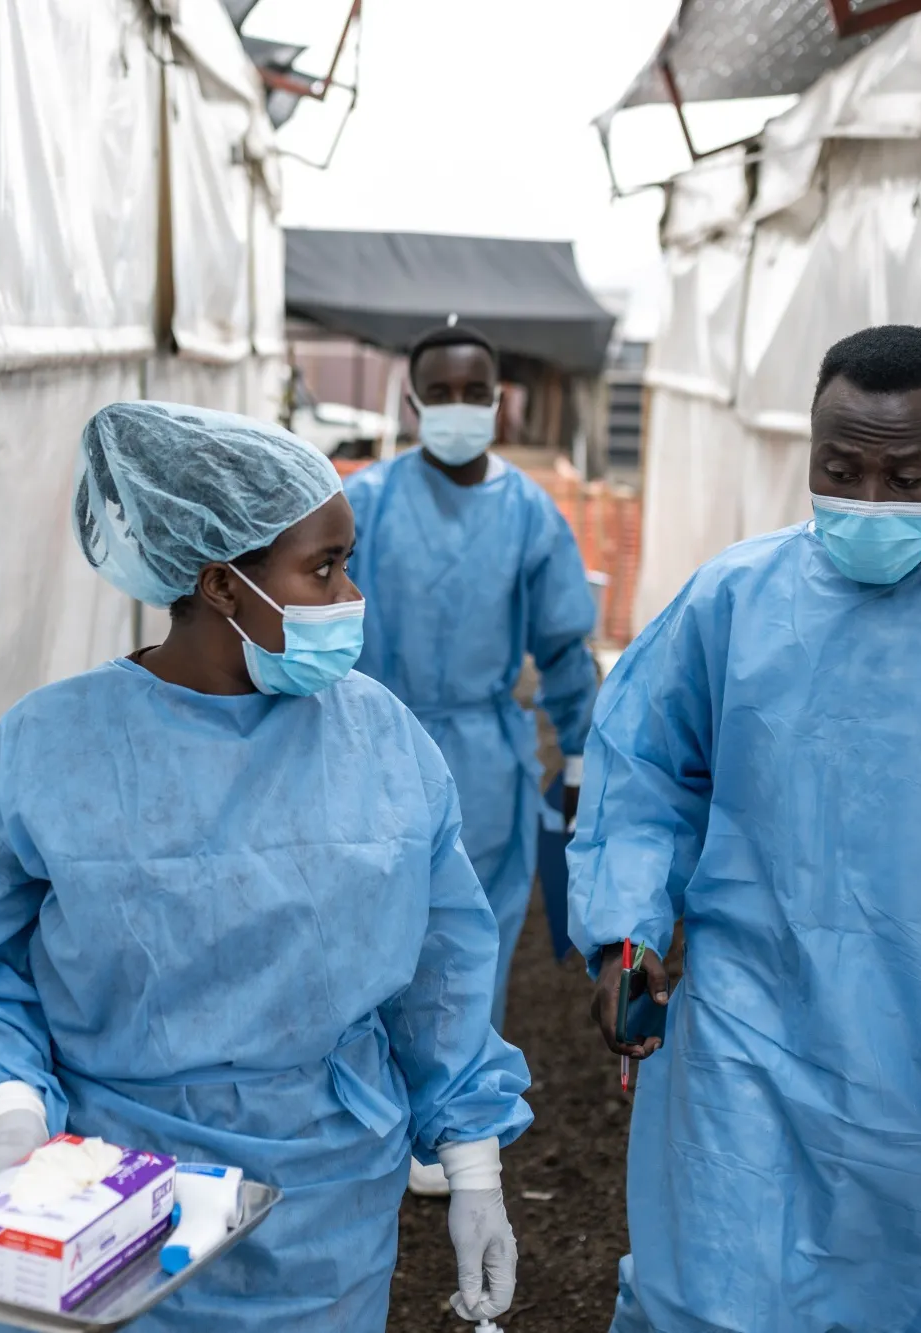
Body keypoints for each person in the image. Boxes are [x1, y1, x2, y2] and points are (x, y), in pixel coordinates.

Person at [0, 402, 530, 1332]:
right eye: (323, 568)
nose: (350, 593)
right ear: (223, 586)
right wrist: (10, 1114)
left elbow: (440, 974)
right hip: (104, 1199)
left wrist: (474, 1167)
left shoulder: (384, 741)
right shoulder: (47, 748)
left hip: (325, 1212)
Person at [569, 326, 921, 1332]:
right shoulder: (732, 602)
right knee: (707, 1295)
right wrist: (629, 932)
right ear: (805, 451)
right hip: (738, 1039)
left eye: (902, 474)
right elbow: (642, 775)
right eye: (839, 470)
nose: (867, 499)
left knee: (896, 1301)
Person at [343, 321, 601, 1194]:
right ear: (413, 401)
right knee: (366, 927)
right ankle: (366, 1103)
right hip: (369, 741)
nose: (457, 408)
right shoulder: (367, 501)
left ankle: (453, 1123)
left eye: (472, 392)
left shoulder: (529, 512)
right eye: (439, 393)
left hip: (485, 755)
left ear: (500, 401)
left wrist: (578, 754)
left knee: (465, 940)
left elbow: (566, 647)